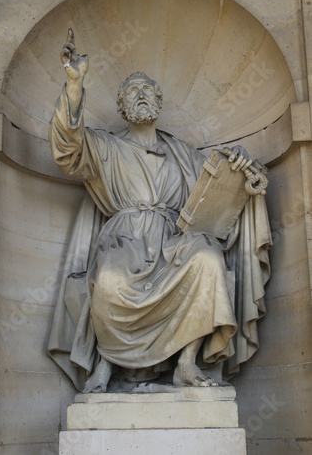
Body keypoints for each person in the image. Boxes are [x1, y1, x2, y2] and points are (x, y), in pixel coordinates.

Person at [47, 29, 271, 393]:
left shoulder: (183, 153)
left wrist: (245, 165)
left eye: (147, 90)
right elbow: (66, 149)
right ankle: (105, 364)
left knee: (209, 262)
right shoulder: (106, 148)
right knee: (109, 282)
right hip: (124, 240)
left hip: (173, 242)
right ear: (122, 106)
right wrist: (74, 85)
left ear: (158, 101)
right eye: (132, 91)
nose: (140, 96)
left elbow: (222, 187)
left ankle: (186, 364)